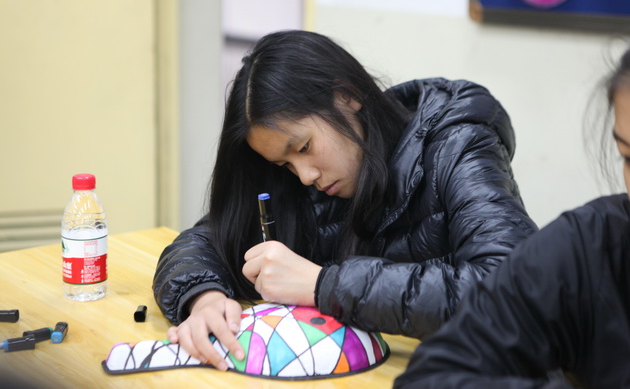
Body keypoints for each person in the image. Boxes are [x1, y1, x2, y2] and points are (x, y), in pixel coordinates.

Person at [152, 30, 537, 371]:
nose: (305, 176)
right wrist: (203, 298)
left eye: (304, 147)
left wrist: (323, 285)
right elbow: (204, 240)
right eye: (285, 164)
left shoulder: (458, 146)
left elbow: (513, 294)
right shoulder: (308, 183)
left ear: (347, 95)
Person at [394, 45, 630, 389]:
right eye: (627, 156)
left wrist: (329, 283)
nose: (312, 176)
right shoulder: (588, 245)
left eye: (311, 145)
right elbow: (429, 376)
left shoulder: (460, 145)